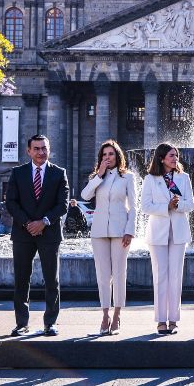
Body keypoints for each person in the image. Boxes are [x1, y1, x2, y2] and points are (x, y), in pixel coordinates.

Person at [6, 134, 69, 336]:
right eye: (36, 148)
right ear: (29, 151)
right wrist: (28, 223)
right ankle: (21, 323)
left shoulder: (59, 173)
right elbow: (11, 203)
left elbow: (63, 204)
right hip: (23, 233)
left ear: (48, 150)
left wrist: (43, 222)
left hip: (49, 233)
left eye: (44, 148)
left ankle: (50, 322)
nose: (41, 152)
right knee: (22, 280)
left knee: (52, 280)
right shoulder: (17, 173)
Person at [81, 139, 138, 335]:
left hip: (120, 230)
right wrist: (98, 176)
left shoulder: (127, 177)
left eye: (111, 154)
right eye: (104, 155)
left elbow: (134, 207)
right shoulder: (97, 177)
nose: (107, 158)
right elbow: (85, 196)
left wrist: (130, 230)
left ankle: (117, 315)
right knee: (103, 275)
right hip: (99, 231)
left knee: (119, 273)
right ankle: (104, 314)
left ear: (117, 156)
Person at [140, 142, 194, 334]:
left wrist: (177, 206)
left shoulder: (184, 177)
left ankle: (174, 319)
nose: (175, 158)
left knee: (175, 276)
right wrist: (166, 207)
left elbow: (191, 204)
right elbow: (145, 206)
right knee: (160, 276)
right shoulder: (150, 179)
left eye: (176, 155)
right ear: (162, 158)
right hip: (158, 234)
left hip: (179, 232)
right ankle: (161, 320)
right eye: (172, 155)